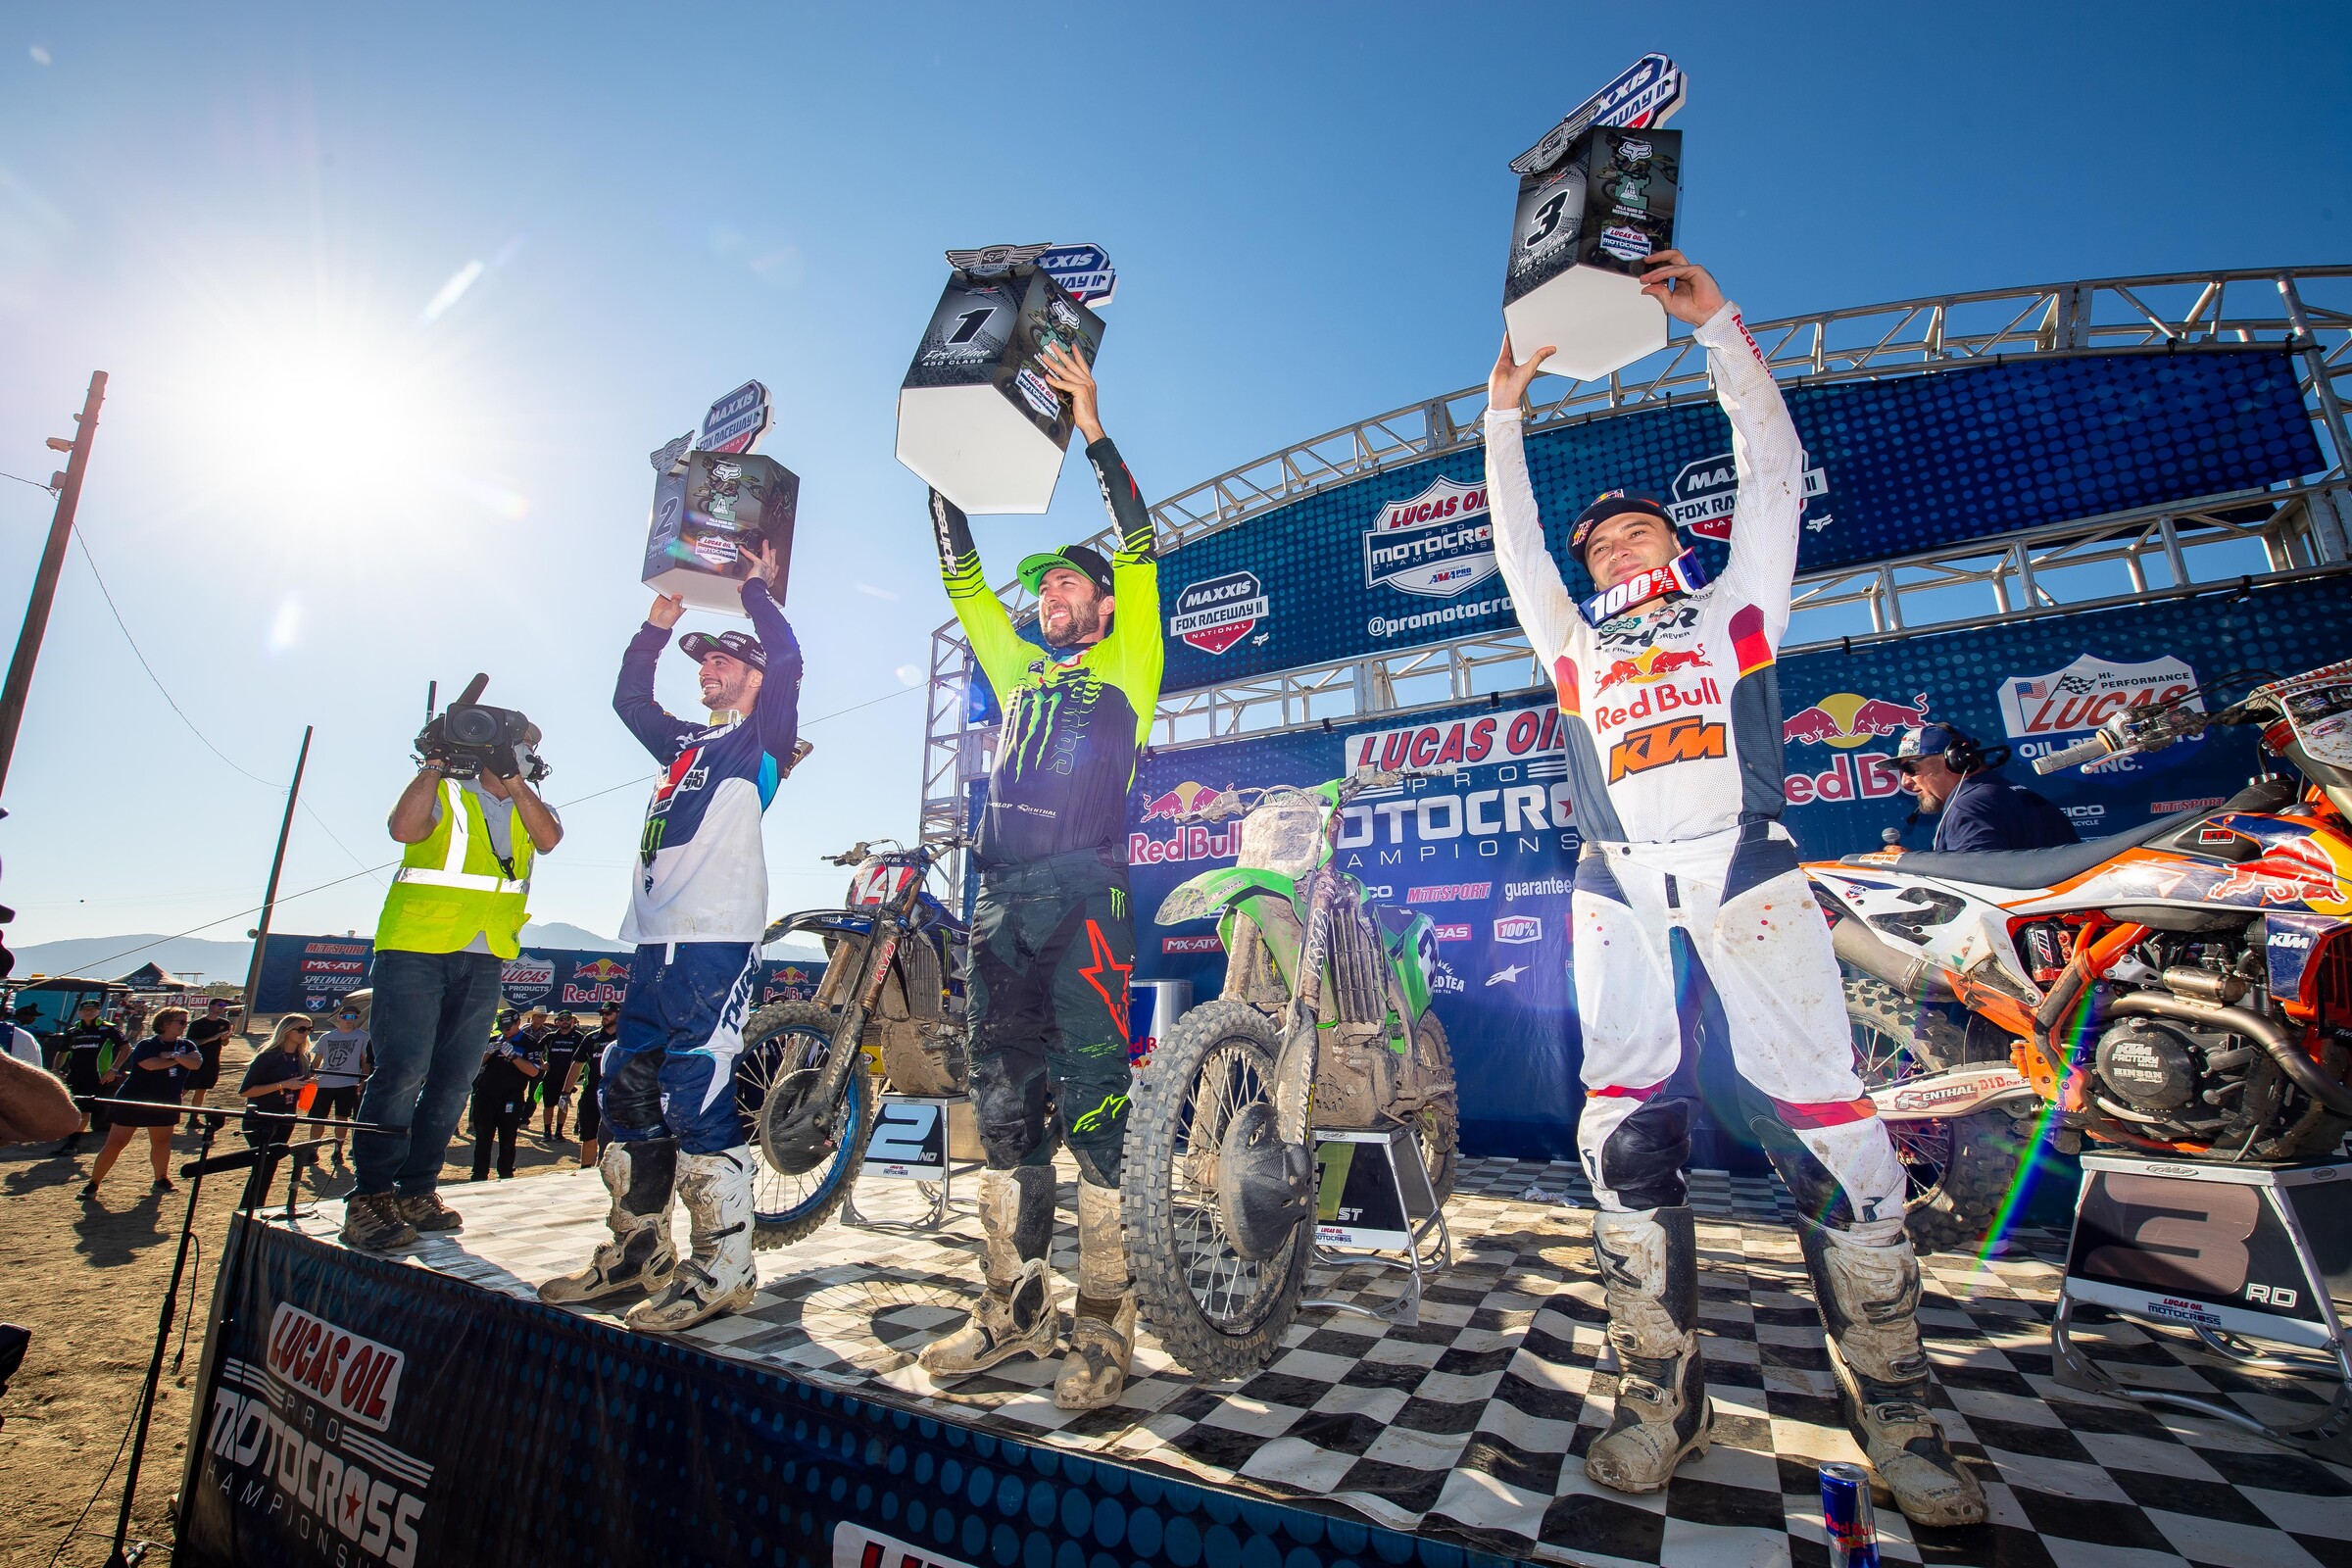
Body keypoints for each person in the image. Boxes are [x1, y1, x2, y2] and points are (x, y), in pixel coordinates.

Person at [1484, 252, 1984, 1527]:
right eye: (1599, 542)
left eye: (1634, 529)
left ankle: (1897, 1410)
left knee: (1834, 1127)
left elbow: (1772, 473)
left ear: (1677, 541)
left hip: (1748, 868)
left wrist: (1719, 333)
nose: (1612, 545)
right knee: (1620, 1134)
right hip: (1616, 887)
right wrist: (1502, 416)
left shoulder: (1734, 609)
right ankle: (1661, 1398)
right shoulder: (1571, 642)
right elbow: (1517, 544)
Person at [911, 343, 1159, 1412]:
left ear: (1101, 602)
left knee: (1096, 1109)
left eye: (1064, 581)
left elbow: (1140, 542)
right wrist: (941, 467)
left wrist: (1093, 427)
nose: (1047, 592)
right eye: (1043, 583)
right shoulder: (1015, 667)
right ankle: (1011, 1306)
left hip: (1089, 896)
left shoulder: (1131, 658)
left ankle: (1105, 1321)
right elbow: (963, 578)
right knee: (1004, 1110)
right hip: (1000, 903)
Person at [538, 538, 803, 1332]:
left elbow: (791, 660)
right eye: (702, 661)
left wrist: (754, 591)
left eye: (722, 660)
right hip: (653, 942)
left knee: (698, 1091)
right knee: (625, 1086)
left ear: (755, 676)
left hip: (715, 939)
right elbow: (630, 702)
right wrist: (654, 628)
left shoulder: (762, 739)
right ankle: (639, 1249)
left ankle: (724, 1266)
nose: (707, 669)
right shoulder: (685, 742)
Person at [343, 717, 564, 1250]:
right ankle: (370, 1197)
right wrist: (435, 763)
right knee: (403, 1071)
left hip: (485, 954)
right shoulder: (446, 791)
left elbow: (549, 839)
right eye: (521, 743)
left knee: (454, 1078)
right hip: (416, 947)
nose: (529, 751)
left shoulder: (530, 804)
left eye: (530, 746)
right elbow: (404, 830)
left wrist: (513, 780)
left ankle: (417, 1189)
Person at [1892, 722, 2079, 853]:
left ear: (1956, 760)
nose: (1906, 782)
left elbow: (1975, 885)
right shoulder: (2020, 796)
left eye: (1910, 769)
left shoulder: (1968, 807)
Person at [77, 1006, 201, 1200]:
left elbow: (196, 1063)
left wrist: (174, 1056)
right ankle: (93, 1183)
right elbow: (150, 1064)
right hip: (134, 1099)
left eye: (186, 1021)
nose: (185, 1025)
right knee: (115, 1143)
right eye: (181, 1021)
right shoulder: (147, 1044)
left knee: (161, 1142)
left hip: (166, 1100)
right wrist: (179, 1060)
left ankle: (161, 1179)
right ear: (165, 1023)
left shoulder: (186, 1045)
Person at [470, 1013, 543, 1180]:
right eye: (502, 1028)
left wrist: (513, 1057)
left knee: (508, 1138)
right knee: (482, 1138)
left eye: (508, 1028)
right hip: (486, 1096)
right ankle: (479, 1174)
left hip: (511, 1097)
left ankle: (505, 1173)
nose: (505, 1031)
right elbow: (474, 1068)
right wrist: (487, 1054)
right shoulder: (493, 1040)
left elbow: (534, 1071)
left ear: (518, 1023)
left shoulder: (529, 1043)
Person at [53, 999, 127, 1155]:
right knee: (74, 1107)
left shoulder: (109, 1029)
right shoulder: (73, 1031)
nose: (88, 1013)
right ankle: (71, 1140)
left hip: (98, 1076)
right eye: (85, 1010)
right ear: (79, 1013)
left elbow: (126, 1048)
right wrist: (56, 1069)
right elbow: (62, 1051)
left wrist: (114, 1069)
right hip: (74, 1076)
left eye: (92, 1010)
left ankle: (72, 1143)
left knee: (85, 1109)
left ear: (99, 1011)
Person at [238, 1015, 316, 1162]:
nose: (306, 1033)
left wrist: (307, 1084)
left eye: (309, 1029)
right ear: (286, 1030)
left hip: (286, 1116)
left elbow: (295, 1084)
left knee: (273, 1162)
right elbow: (245, 1091)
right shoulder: (267, 1057)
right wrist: (282, 1085)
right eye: (301, 1029)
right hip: (261, 1116)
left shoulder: (304, 1057)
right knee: (262, 1164)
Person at [310, 1004, 373, 1165]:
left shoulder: (363, 1036)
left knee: (342, 1117)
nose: (349, 1020)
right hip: (325, 1082)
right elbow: (317, 1060)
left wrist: (362, 1080)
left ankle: (338, 1150)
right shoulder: (326, 1037)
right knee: (318, 1118)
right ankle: (312, 1149)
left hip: (348, 1082)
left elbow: (365, 1061)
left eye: (353, 1017)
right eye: (346, 1016)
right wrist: (311, 1076)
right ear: (339, 1017)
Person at [570, 1002, 617, 1169]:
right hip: (592, 1092)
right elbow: (577, 1064)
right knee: (588, 1134)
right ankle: (585, 1170)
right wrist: (565, 1092)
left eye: (608, 1013)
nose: (604, 1016)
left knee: (610, 1136)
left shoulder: (627, 1038)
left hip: (616, 1096)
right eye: (602, 1013)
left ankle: (604, 1168)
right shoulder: (591, 1038)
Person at [538, 1009, 586, 1143]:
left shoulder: (578, 1037)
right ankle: (547, 1132)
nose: (565, 1021)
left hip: (567, 1078)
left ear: (572, 1021)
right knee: (548, 1105)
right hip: (551, 1076)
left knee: (563, 1104)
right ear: (557, 1022)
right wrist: (542, 1063)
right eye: (562, 1019)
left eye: (567, 1019)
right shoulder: (550, 1037)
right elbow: (536, 1049)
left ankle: (559, 1132)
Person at [184, 998, 237, 1105]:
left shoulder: (225, 1023)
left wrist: (224, 1039)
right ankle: (169, 1110)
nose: (222, 1008)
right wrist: (211, 1039)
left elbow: (225, 1044)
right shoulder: (197, 1024)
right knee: (185, 1088)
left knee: (202, 1090)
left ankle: (194, 1115)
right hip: (196, 1060)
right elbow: (190, 1042)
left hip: (212, 1061)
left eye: (224, 1006)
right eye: (220, 1005)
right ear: (211, 1006)